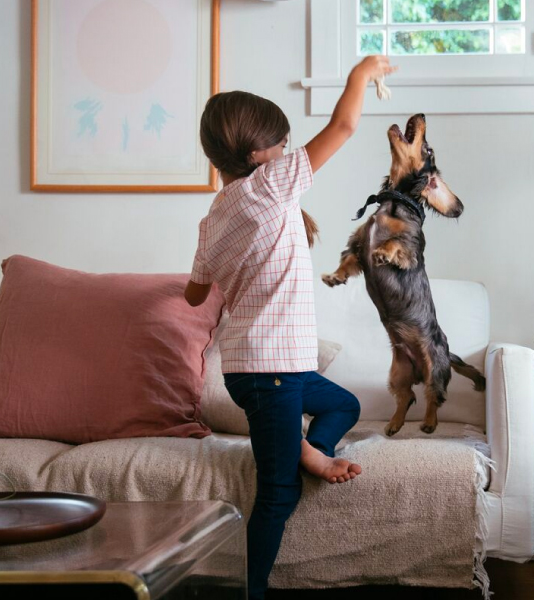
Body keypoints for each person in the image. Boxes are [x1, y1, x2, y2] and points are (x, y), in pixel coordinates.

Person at [184, 55, 397, 600]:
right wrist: (361, 73)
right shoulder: (267, 189)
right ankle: (250, 593)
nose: (286, 152)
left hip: (266, 368)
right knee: (278, 494)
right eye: (280, 145)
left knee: (342, 405)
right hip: (271, 372)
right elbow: (344, 127)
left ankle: (309, 449)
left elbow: (194, 293)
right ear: (257, 155)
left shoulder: (214, 218)